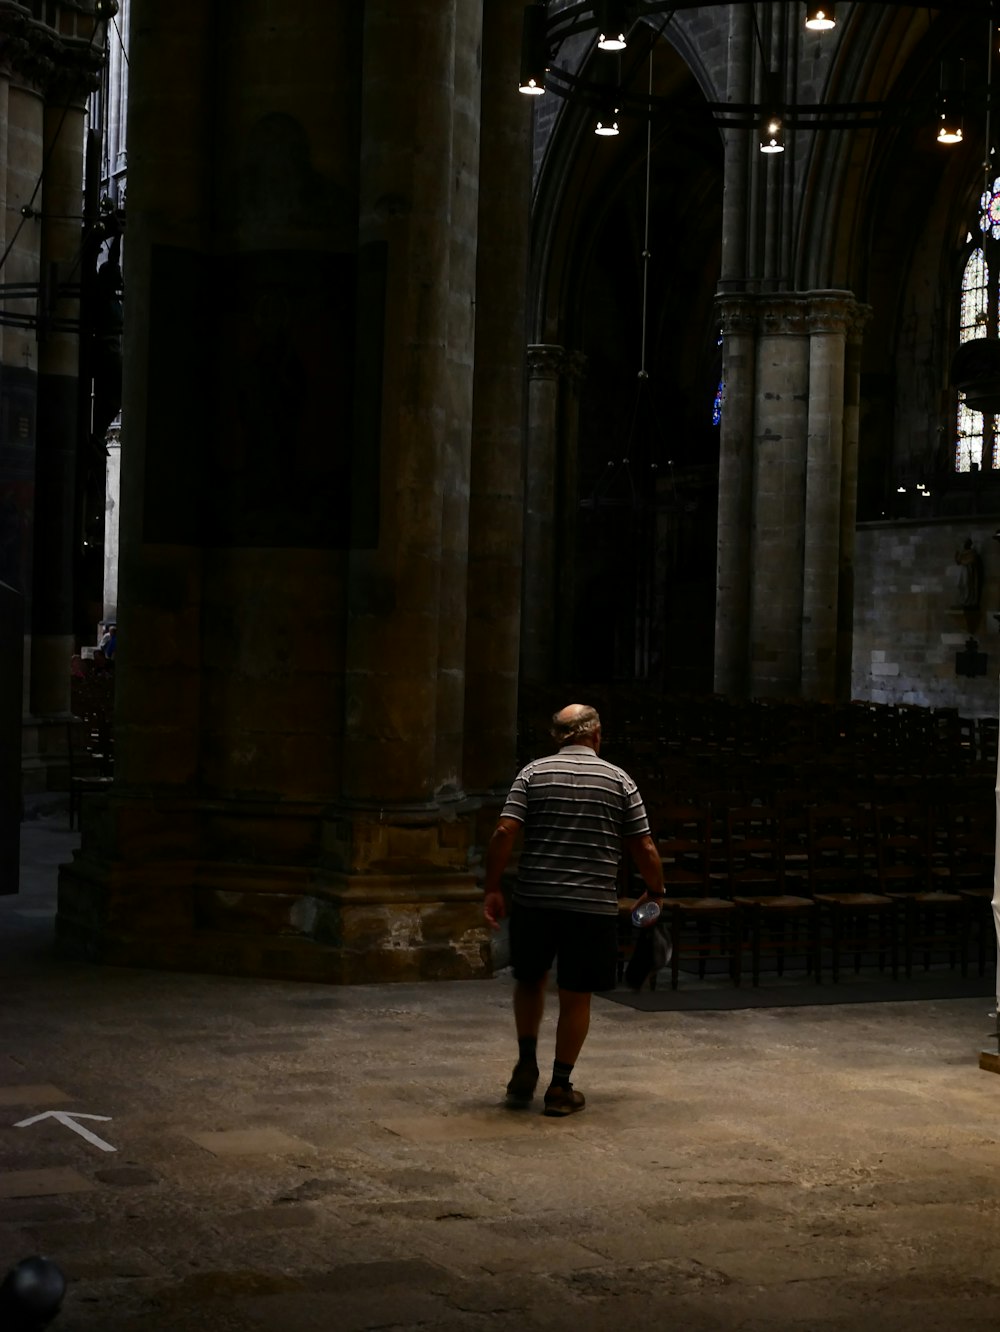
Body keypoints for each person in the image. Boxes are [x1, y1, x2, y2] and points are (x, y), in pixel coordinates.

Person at [483, 703, 664, 1117]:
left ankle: (526, 1062)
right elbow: (645, 846)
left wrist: (493, 886)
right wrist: (655, 890)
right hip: (590, 907)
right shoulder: (619, 780)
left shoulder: (532, 773)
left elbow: (503, 830)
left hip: (535, 901)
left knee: (530, 981)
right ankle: (560, 1087)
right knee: (575, 994)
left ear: (557, 738)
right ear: (596, 736)